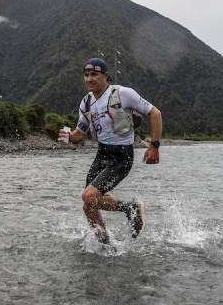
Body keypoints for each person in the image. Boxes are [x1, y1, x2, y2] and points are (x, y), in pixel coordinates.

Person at [58, 57, 162, 244]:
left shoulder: (123, 94)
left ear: (105, 76)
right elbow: (79, 136)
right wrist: (68, 138)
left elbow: (155, 113)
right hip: (102, 154)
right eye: (86, 75)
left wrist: (154, 146)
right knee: (88, 205)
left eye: (94, 75)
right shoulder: (86, 103)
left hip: (122, 156)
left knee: (88, 196)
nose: (89, 79)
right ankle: (106, 244)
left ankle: (130, 209)